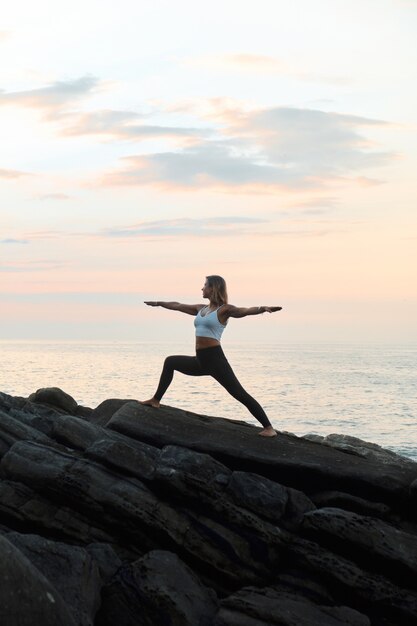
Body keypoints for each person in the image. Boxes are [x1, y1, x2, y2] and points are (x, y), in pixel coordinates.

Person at [141, 275, 282, 437]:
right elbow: (177, 305)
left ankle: (269, 428)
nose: (202, 288)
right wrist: (159, 304)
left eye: (205, 285)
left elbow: (243, 311)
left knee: (238, 393)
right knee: (171, 362)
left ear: (213, 288)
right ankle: (156, 400)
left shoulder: (224, 310)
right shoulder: (200, 309)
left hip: (215, 360)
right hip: (200, 360)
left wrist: (261, 308)